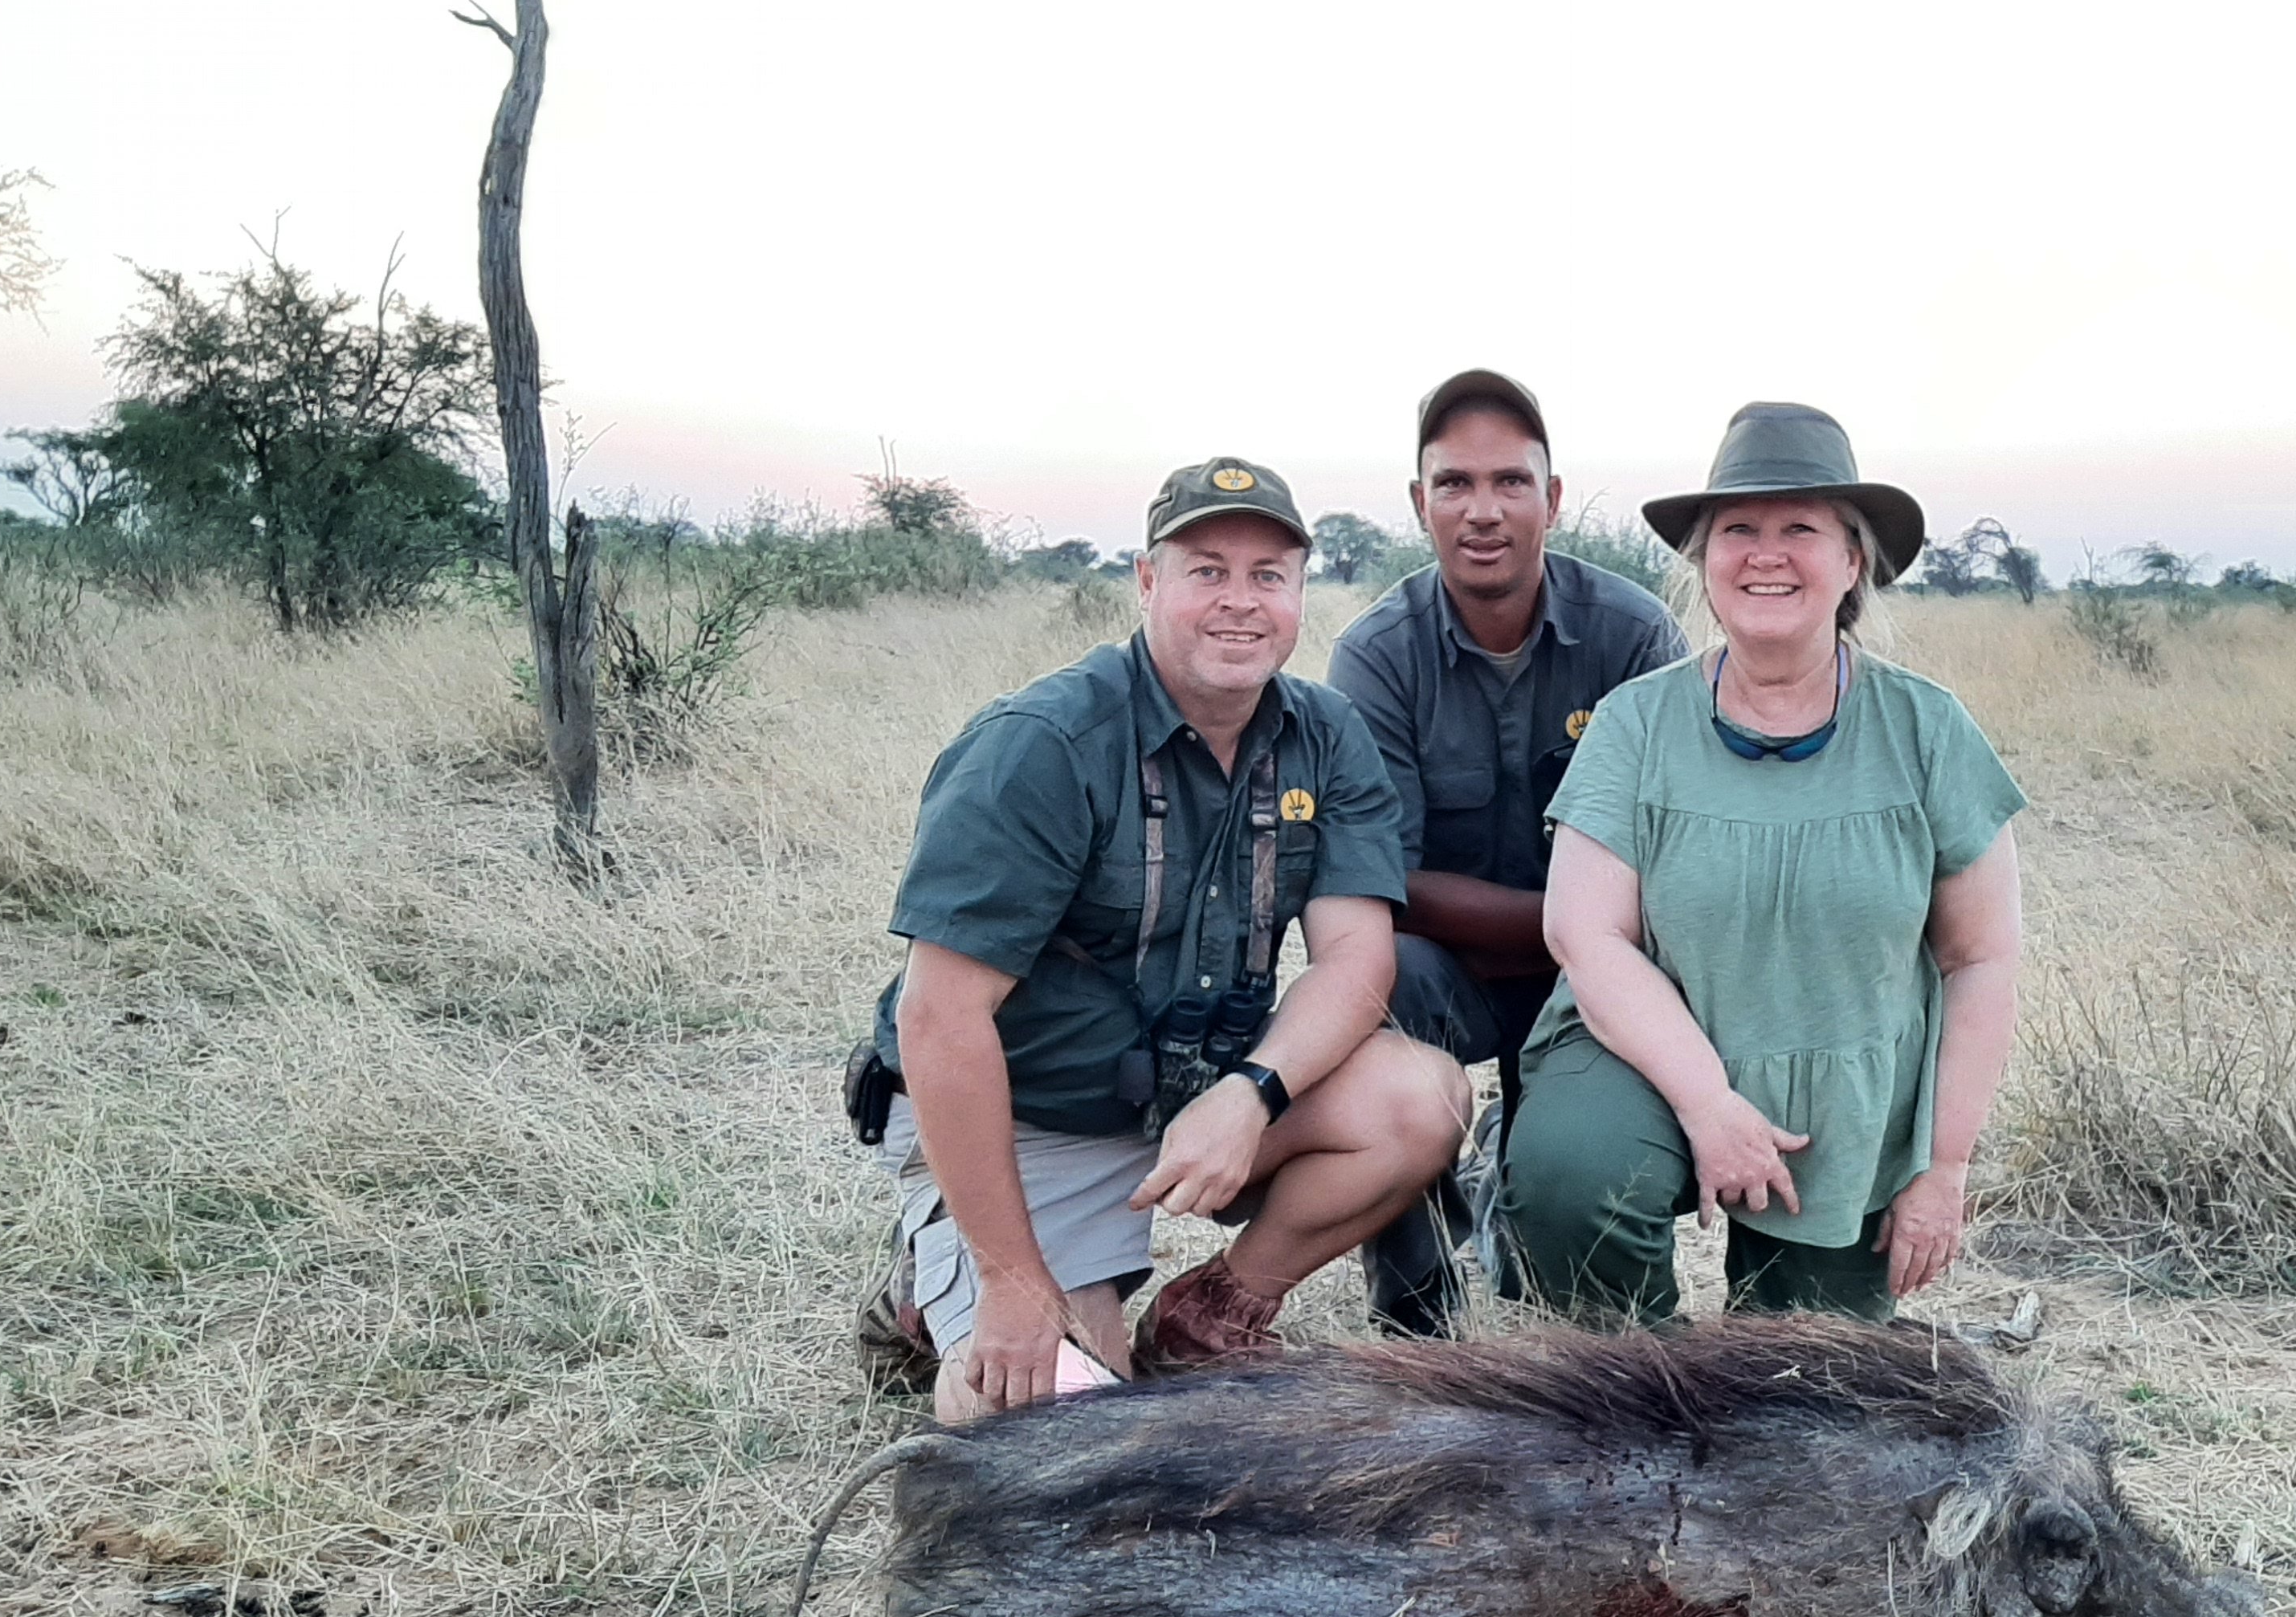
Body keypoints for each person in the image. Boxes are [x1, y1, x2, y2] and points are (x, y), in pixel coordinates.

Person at [854, 458, 1470, 1419]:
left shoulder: (1327, 733)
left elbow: (1357, 960)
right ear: (1148, 581)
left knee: (1423, 1094)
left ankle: (1213, 1318)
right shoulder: (1042, 743)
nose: (1241, 602)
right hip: (1031, 1115)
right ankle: (947, 1282)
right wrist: (1014, 1279)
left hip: (1194, 1094)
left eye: (1269, 575)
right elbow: (941, 1018)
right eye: (1207, 570)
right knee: (1048, 1413)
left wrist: (1252, 1093)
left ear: (1302, 590)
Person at [1503, 402, 2026, 1324]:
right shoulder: (1636, 721)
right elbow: (1583, 935)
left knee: (1810, 1387)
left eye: (1801, 530)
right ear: (1705, 562)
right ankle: (1640, 1393)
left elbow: (1979, 958)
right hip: (1652, 1049)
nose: (1766, 554)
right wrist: (1709, 1106)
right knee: (1573, 1183)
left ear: (1853, 560)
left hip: (1841, 1082)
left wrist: (1941, 1169)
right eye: (1738, 529)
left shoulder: (1928, 730)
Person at [1326, 369, 1683, 1332]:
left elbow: (1672, 868)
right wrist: (1576, 924)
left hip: (1595, 980)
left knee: (1547, 1249)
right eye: (1454, 484)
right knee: (1370, 977)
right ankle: (1415, 1311)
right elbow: (1381, 881)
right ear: (1419, 504)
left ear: (1553, 499)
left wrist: (1593, 940)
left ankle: (1572, 1285)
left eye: (1510, 482)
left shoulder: (1636, 634)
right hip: (1467, 968)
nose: (1482, 512)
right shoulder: (1374, 655)